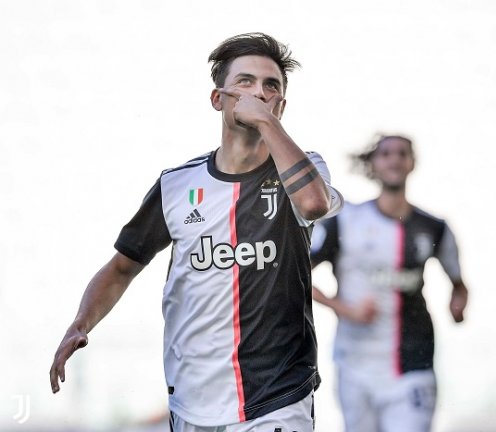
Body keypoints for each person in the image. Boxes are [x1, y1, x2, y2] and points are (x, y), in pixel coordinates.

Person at [49, 32, 343, 432]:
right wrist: (81, 322)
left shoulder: (305, 168)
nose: (258, 92)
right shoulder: (176, 186)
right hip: (192, 401)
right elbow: (122, 267)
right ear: (217, 99)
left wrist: (265, 122)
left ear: (282, 105)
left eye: (270, 86)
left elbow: (312, 203)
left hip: (278, 395)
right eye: (245, 82)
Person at [310, 134, 468, 432]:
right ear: (374, 164)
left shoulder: (433, 227)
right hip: (355, 365)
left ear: (412, 163)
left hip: (412, 363)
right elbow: (298, 277)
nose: (394, 159)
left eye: (402, 153)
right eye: (386, 154)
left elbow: (459, 284)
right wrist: (344, 309)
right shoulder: (345, 221)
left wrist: (457, 305)